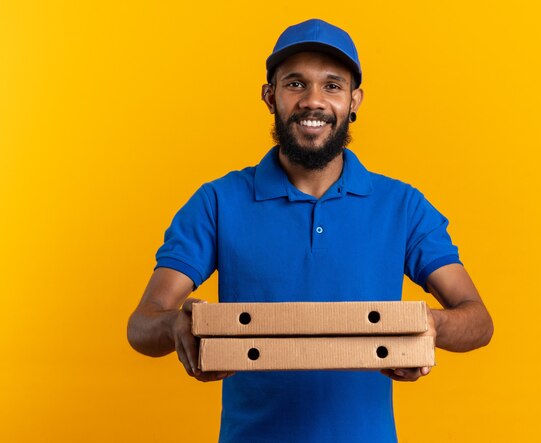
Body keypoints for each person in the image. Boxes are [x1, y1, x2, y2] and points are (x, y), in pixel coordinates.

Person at [127, 18, 493, 443]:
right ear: (270, 97)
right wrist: (176, 327)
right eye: (295, 84)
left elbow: (478, 320)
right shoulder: (217, 202)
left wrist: (429, 327)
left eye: (332, 86)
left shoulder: (403, 206)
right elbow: (141, 325)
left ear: (355, 100)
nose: (313, 101)